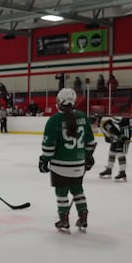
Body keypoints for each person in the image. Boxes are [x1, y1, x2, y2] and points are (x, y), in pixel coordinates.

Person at [39, 88, 96, 233]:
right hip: (78, 165)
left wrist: (44, 160)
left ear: (58, 102)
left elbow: (48, 147)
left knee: (61, 192)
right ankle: (83, 217)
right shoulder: (83, 116)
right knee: (78, 190)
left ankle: (63, 219)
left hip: (60, 167)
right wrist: (88, 157)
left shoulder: (54, 120)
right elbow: (90, 143)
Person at [97, 116, 131, 182]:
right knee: (112, 152)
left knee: (120, 153)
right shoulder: (102, 123)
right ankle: (109, 170)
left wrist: (121, 137)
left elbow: (114, 130)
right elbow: (110, 132)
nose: (93, 124)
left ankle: (122, 173)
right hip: (118, 135)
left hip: (124, 132)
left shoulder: (104, 122)